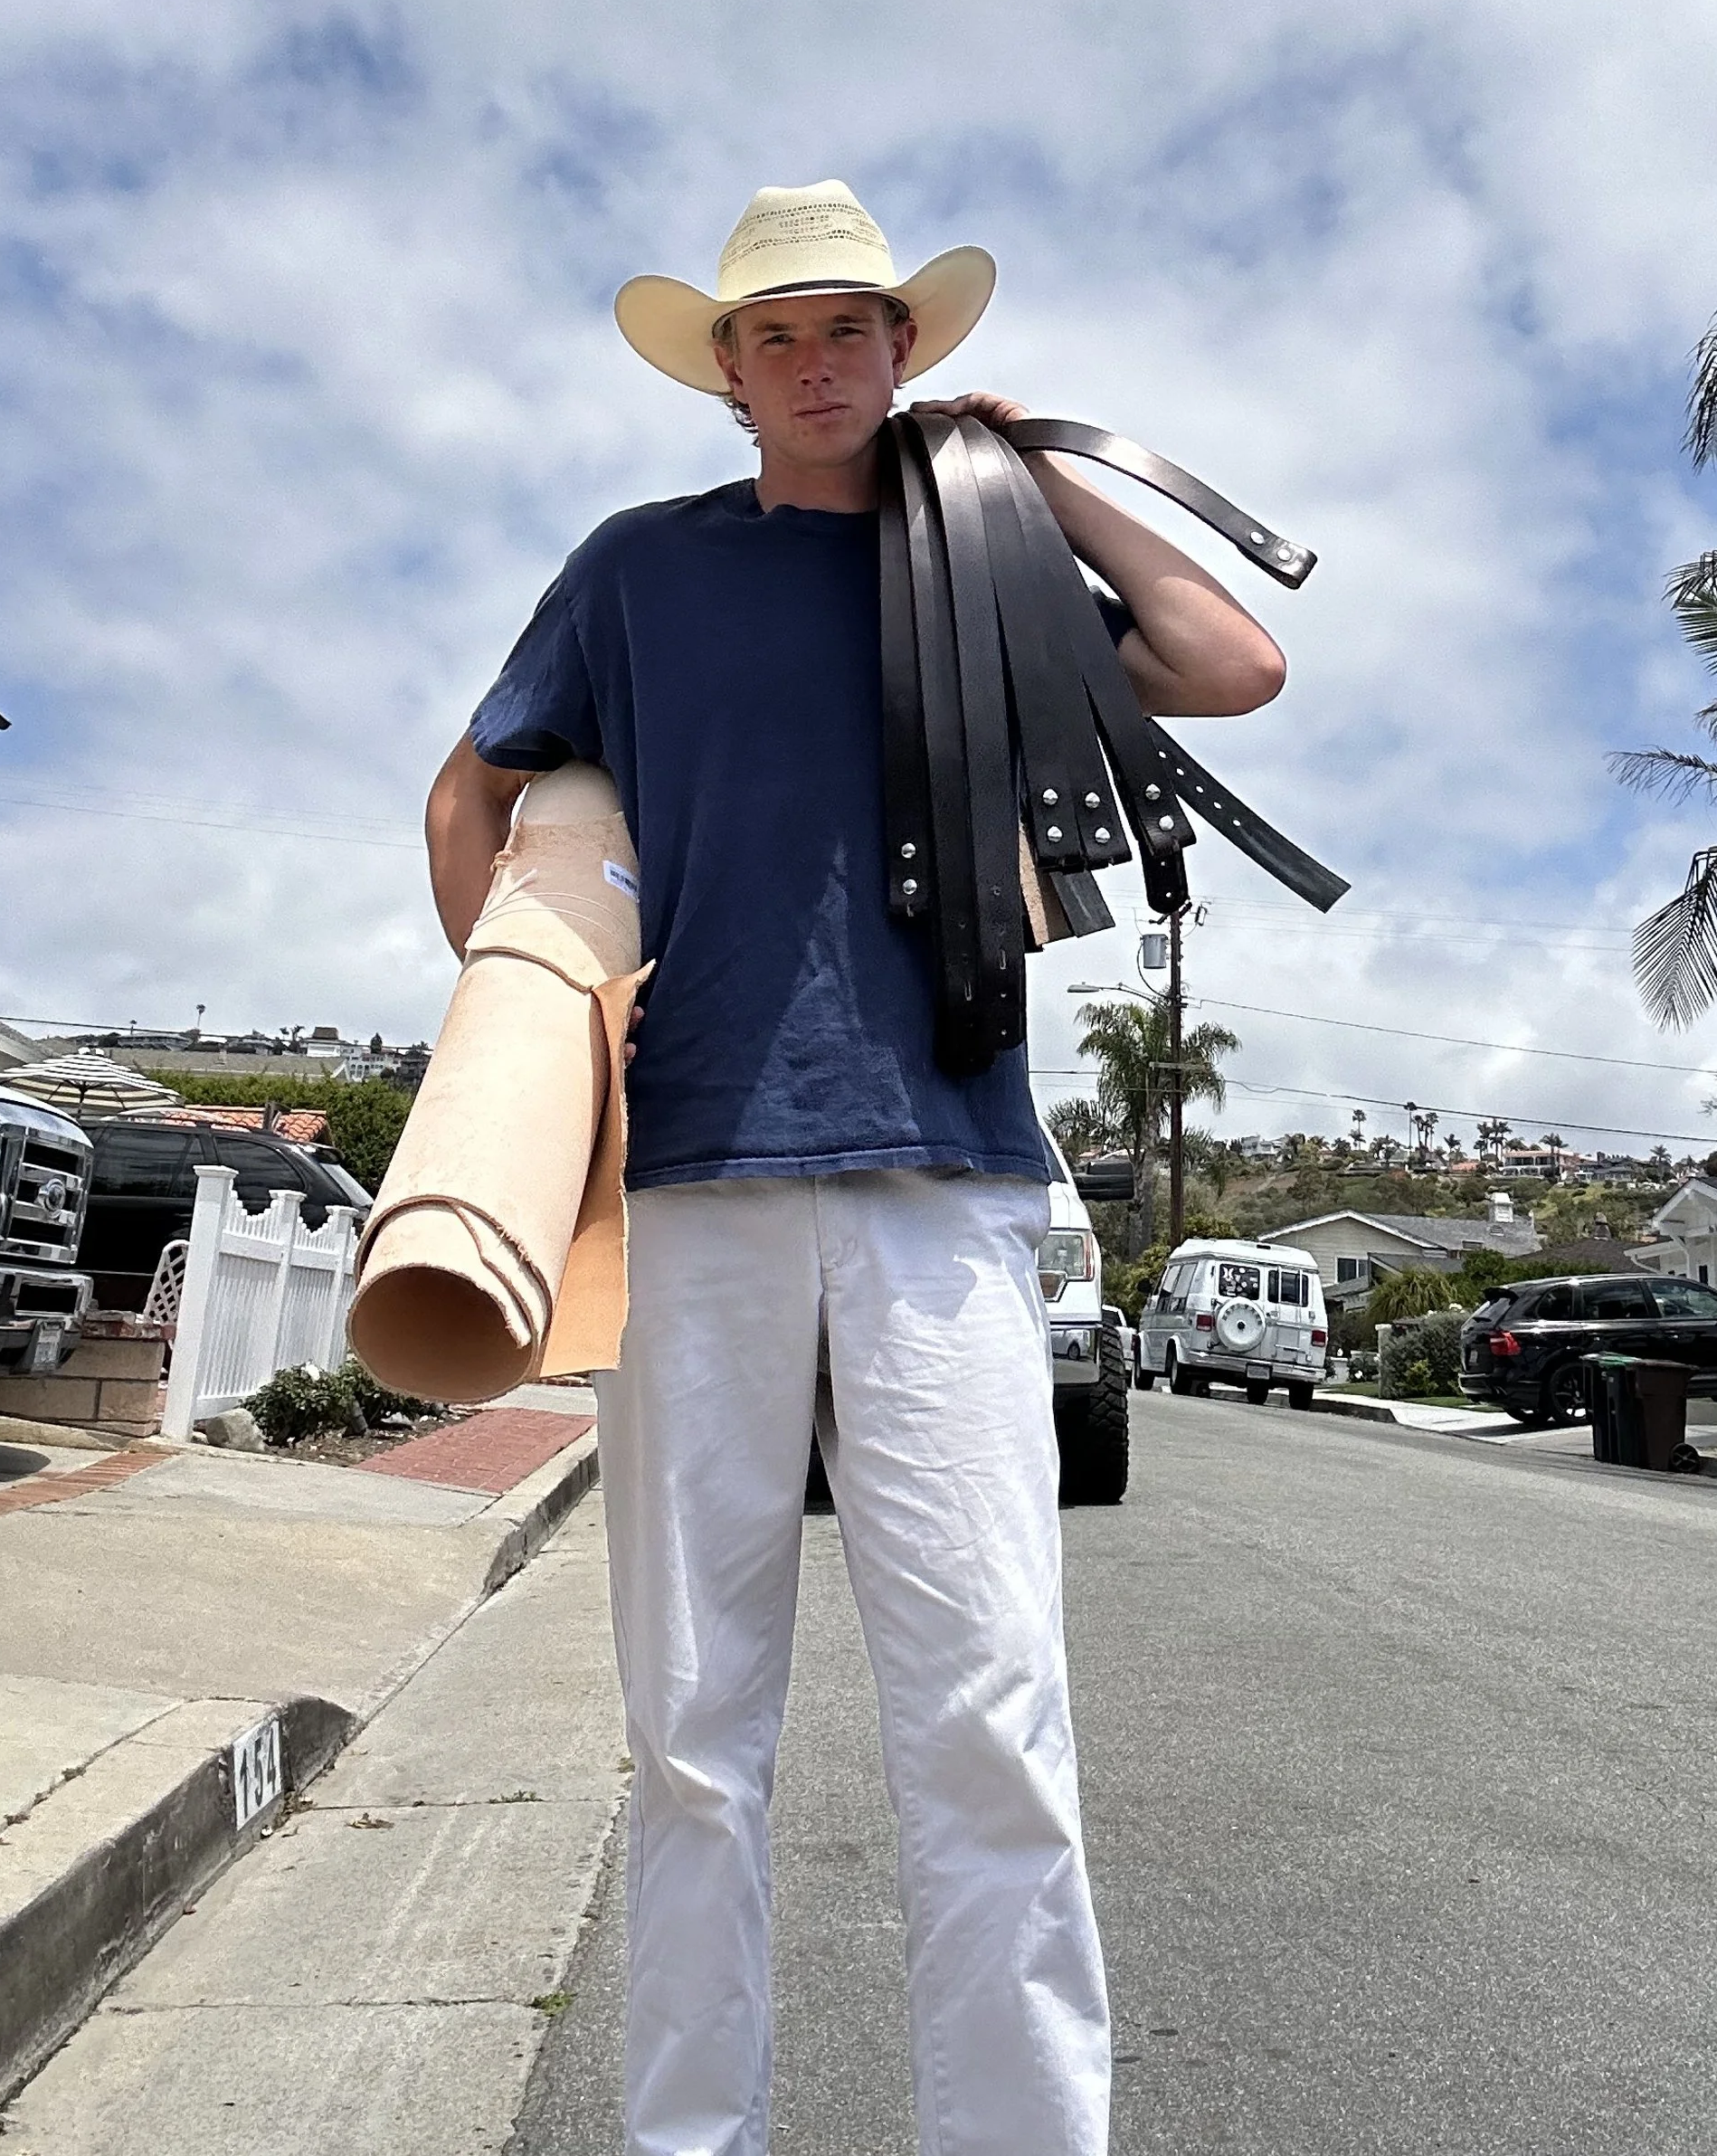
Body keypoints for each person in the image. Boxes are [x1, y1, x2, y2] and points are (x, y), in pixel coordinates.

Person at [425, 182, 1286, 2156]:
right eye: (776, 335)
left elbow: (1227, 663)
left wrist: (1040, 481)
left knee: (989, 1725)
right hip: (700, 1176)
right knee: (692, 1740)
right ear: (722, 374)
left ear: (911, 350)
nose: (817, 362)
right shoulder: (634, 573)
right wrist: (527, 1052)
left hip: (949, 1179)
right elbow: (472, 788)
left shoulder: (968, 560)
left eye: (852, 327)